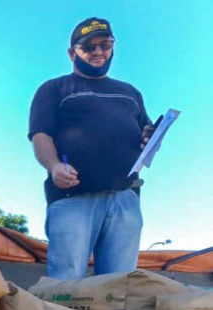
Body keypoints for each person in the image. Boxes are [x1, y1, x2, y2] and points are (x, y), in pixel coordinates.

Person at [29, 17, 154, 280]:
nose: (98, 51)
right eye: (89, 46)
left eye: (105, 44)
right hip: (72, 200)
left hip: (126, 201)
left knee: (119, 289)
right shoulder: (54, 89)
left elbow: (147, 136)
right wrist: (54, 167)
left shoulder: (131, 92)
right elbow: (40, 136)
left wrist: (148, 137)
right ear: (72, 53)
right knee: (65, 285)